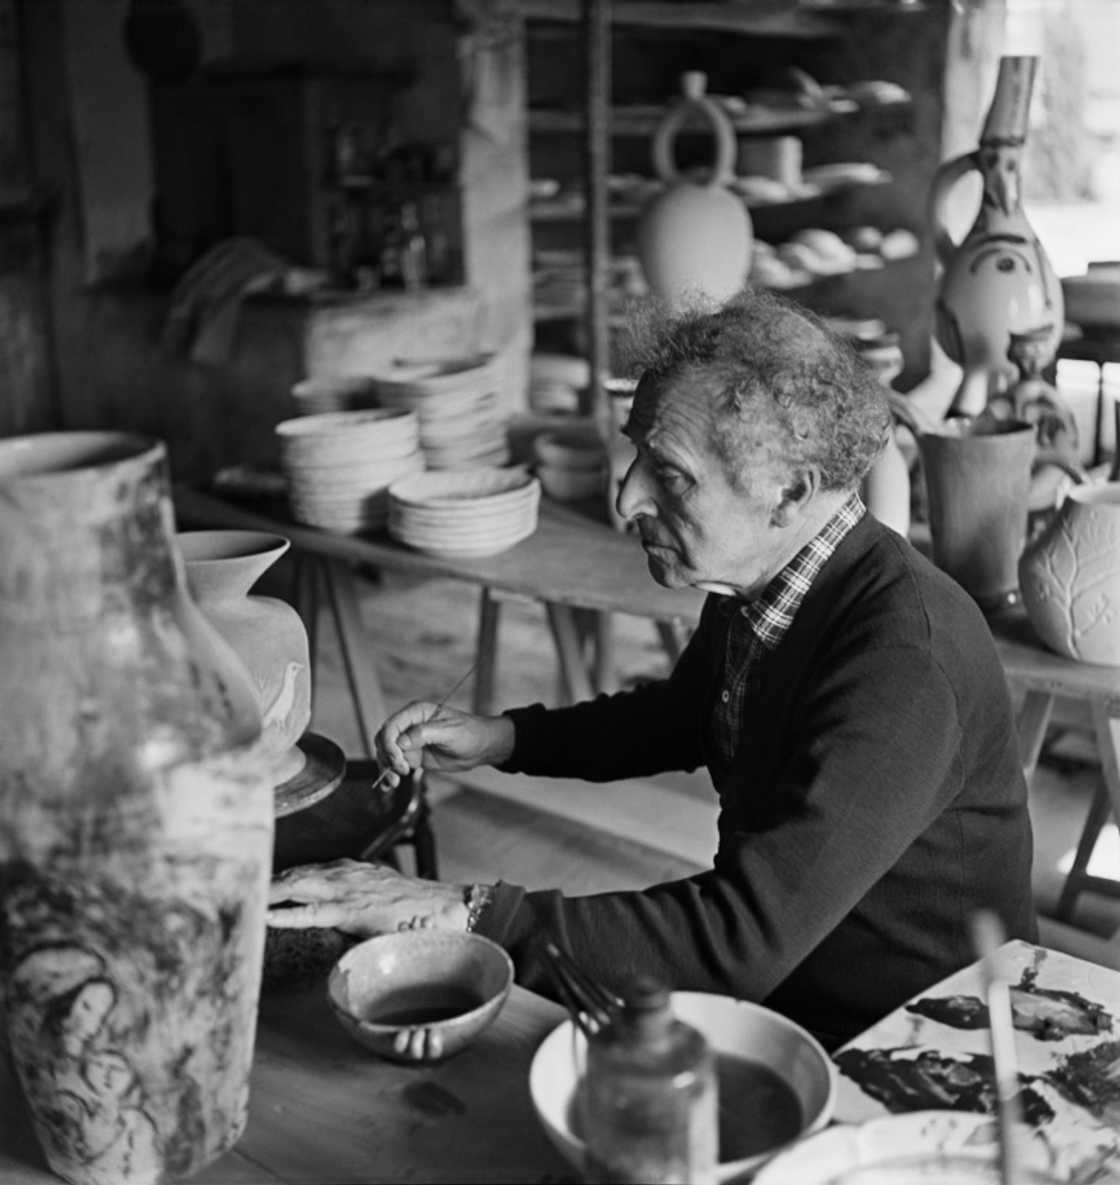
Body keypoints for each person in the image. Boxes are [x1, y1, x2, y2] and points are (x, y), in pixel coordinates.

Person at [269, 290, 1037, 1050]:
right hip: (795, 980)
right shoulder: (765, 585)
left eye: (668, 473)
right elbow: (684, 714)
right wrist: (503, 737)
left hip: (924, 1034)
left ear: (789, 491)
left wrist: (457, 912)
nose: (626, 494)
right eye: (635, 451)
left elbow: (737, 937)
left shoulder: (903, 662)